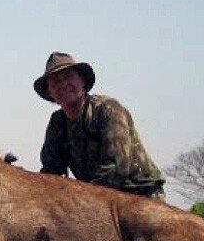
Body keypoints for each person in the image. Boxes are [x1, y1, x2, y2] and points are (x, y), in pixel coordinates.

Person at [34, 52, 165, 198]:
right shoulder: (57, 122)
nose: (63, 84)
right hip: (97, 200)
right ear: (49, 92)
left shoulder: (108, 109)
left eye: (68, 77)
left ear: (83, 81)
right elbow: (51, 172)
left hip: (141, 194)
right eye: (55, 82)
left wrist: (80, 197)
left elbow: (116, 168)